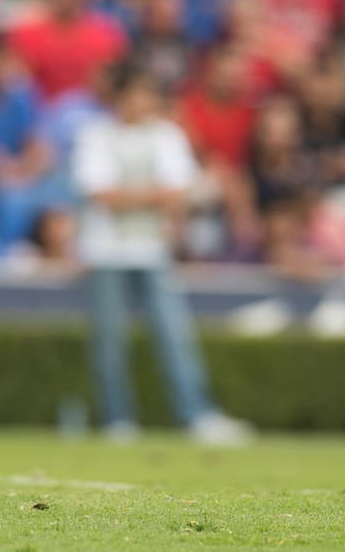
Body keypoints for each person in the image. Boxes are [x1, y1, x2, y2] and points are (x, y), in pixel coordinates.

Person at [71, 60, 253, 446]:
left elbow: (176, 194)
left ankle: (197, 415)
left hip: (153, 252)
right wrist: (155, 195)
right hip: (107, 254)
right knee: (109, 342)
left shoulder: (166, 135)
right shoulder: (95, 134)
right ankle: (116, 421)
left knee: (174, 336)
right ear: (118, 97)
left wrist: (131, 196)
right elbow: (102, 195)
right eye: (134, 93)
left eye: (147, 94)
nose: (141, 102)